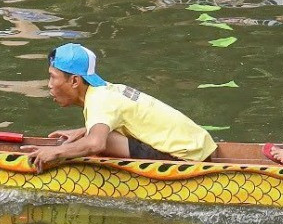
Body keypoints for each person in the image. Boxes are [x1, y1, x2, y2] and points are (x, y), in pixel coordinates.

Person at [25, 44, 219, 169]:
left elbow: (96, 143)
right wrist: (83, 131)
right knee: (94, 136)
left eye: (53, 77)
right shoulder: (107, 90)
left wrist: (55, 152)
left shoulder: (100, 100)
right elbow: (118, 118)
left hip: (187, 161)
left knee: (101, 141)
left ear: (75, 81)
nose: (49, 84)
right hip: (201, 148)